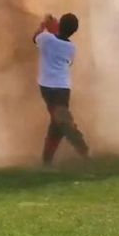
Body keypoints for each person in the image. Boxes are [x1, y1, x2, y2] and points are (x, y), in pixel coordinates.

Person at [33, 13, 90, 166]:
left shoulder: (46, 39)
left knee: (59, 122)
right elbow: (69, 63)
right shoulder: (71, 47)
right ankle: (77, 149)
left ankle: (78, 147)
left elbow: (35, 38)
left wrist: (44, 25)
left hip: (47, 87)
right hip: (63, 87)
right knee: (59, 120)